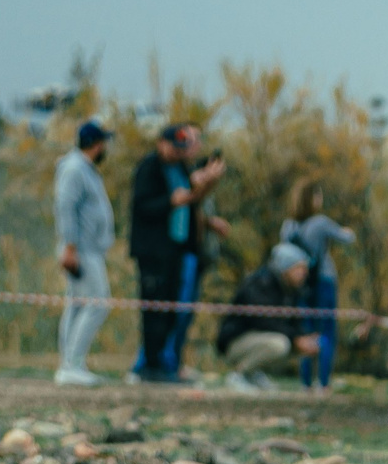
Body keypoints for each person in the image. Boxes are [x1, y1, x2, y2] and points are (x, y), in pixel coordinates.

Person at [128, 123, 224, 383]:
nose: (178, 152)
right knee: (154, 309)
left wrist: (207, 184)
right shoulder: (150, 168)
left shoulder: (180, 167)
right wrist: (171, 201)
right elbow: (142, 206)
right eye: (174, 146)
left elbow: (192, 200)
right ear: (162, 142)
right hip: (153, 250)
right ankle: (148, 365)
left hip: (175, 250)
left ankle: (163, 364)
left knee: (171, 309)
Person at [53, 120, 116, 385]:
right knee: (97, 303)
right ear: (96, 144)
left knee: (78, 305)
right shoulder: (75, 169)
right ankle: (72, 364)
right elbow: (65, 207)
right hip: (81, 249)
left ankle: (71, 362)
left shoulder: (84, 169)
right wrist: (69, 246)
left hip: (87, 248)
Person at [280, 181, 355, 391]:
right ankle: (323, 381)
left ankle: (305, 382)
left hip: (300, 284)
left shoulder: (288, 226)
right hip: (323, 281)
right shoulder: (320, 223)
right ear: (312, 198)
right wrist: (345, 230)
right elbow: (347, 238)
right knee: (327, 331)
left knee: (306, 331)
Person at [213, 243, 320, 390]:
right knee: (279, 344)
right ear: (286, 268)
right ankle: (239, 374)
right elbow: (262, 321)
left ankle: (253, 374)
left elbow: (293, 321)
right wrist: (295, 338)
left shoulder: (291, 290)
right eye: (300, 268)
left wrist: (303, 337)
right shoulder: (260, 283)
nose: (304, 273)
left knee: (293, 344)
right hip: (236, 342)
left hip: (259, 339)